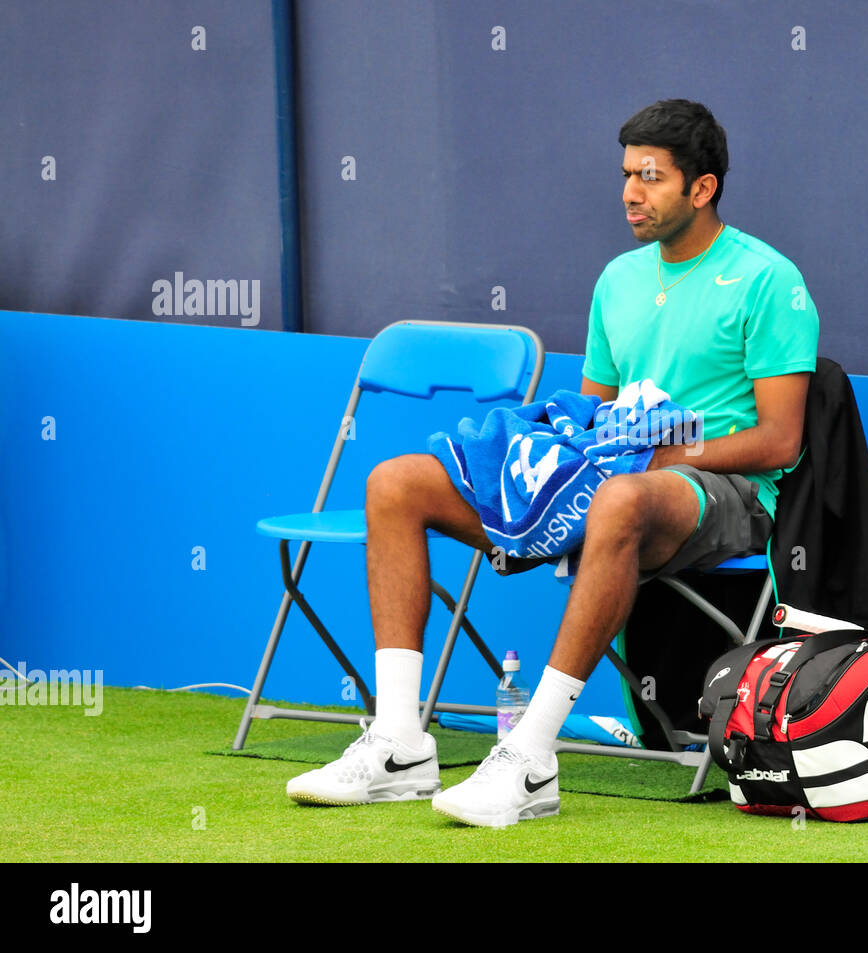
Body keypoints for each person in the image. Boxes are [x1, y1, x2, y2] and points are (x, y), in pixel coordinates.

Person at [286, 99, 819, 826]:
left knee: (622, 499)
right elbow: (592, 416)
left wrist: (664, 454)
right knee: (396, 483)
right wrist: (548, 459)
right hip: (613, 479)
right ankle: (399, 743)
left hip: (723, 493)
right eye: (627, 173)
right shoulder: (618, 281)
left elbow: (782, 440)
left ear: (703, 188)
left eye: (652, 177)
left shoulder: (768, 280)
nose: (631, 192)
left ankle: (530, 757)